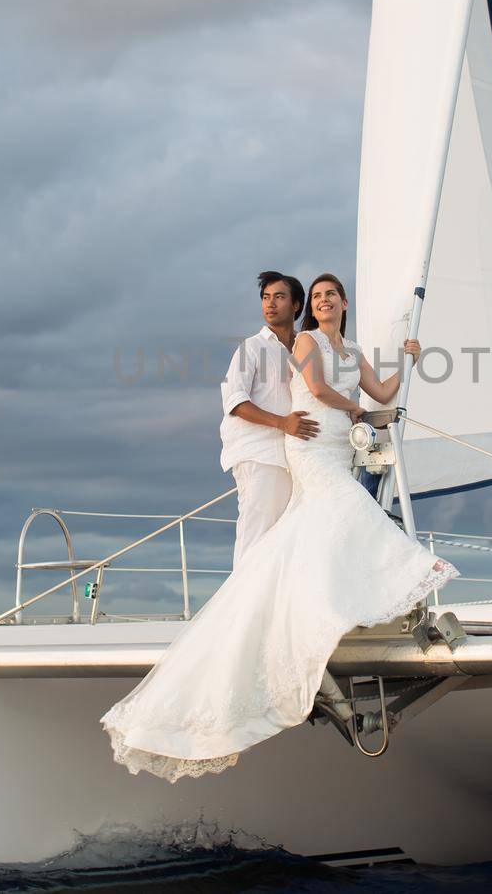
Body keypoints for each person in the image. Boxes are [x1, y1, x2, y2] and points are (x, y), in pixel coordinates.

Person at [102, 273, 457, 781]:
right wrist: (353, 410)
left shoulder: (348, 348)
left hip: (333, 444)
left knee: (306, 531)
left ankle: (308, 605)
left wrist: (409, 360)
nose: (320, 301)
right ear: (307, 308)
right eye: (314, 296)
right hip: (297, 445)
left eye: (326, 294)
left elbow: (381, 391)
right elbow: (309, 390)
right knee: (329, 515)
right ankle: (258, 618)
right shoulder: (288, 344)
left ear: (343, 302)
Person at [219, 271, 319, 566]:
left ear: (297, 305)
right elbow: (235, 401)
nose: (270, 304)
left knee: (282, 542)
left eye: (279, 297)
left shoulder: (305, 347)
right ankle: (239, 611)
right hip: (259, 454)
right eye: (265, 298)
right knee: (255, 537)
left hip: (293, 457)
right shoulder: (252, 347)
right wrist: (283, 423)